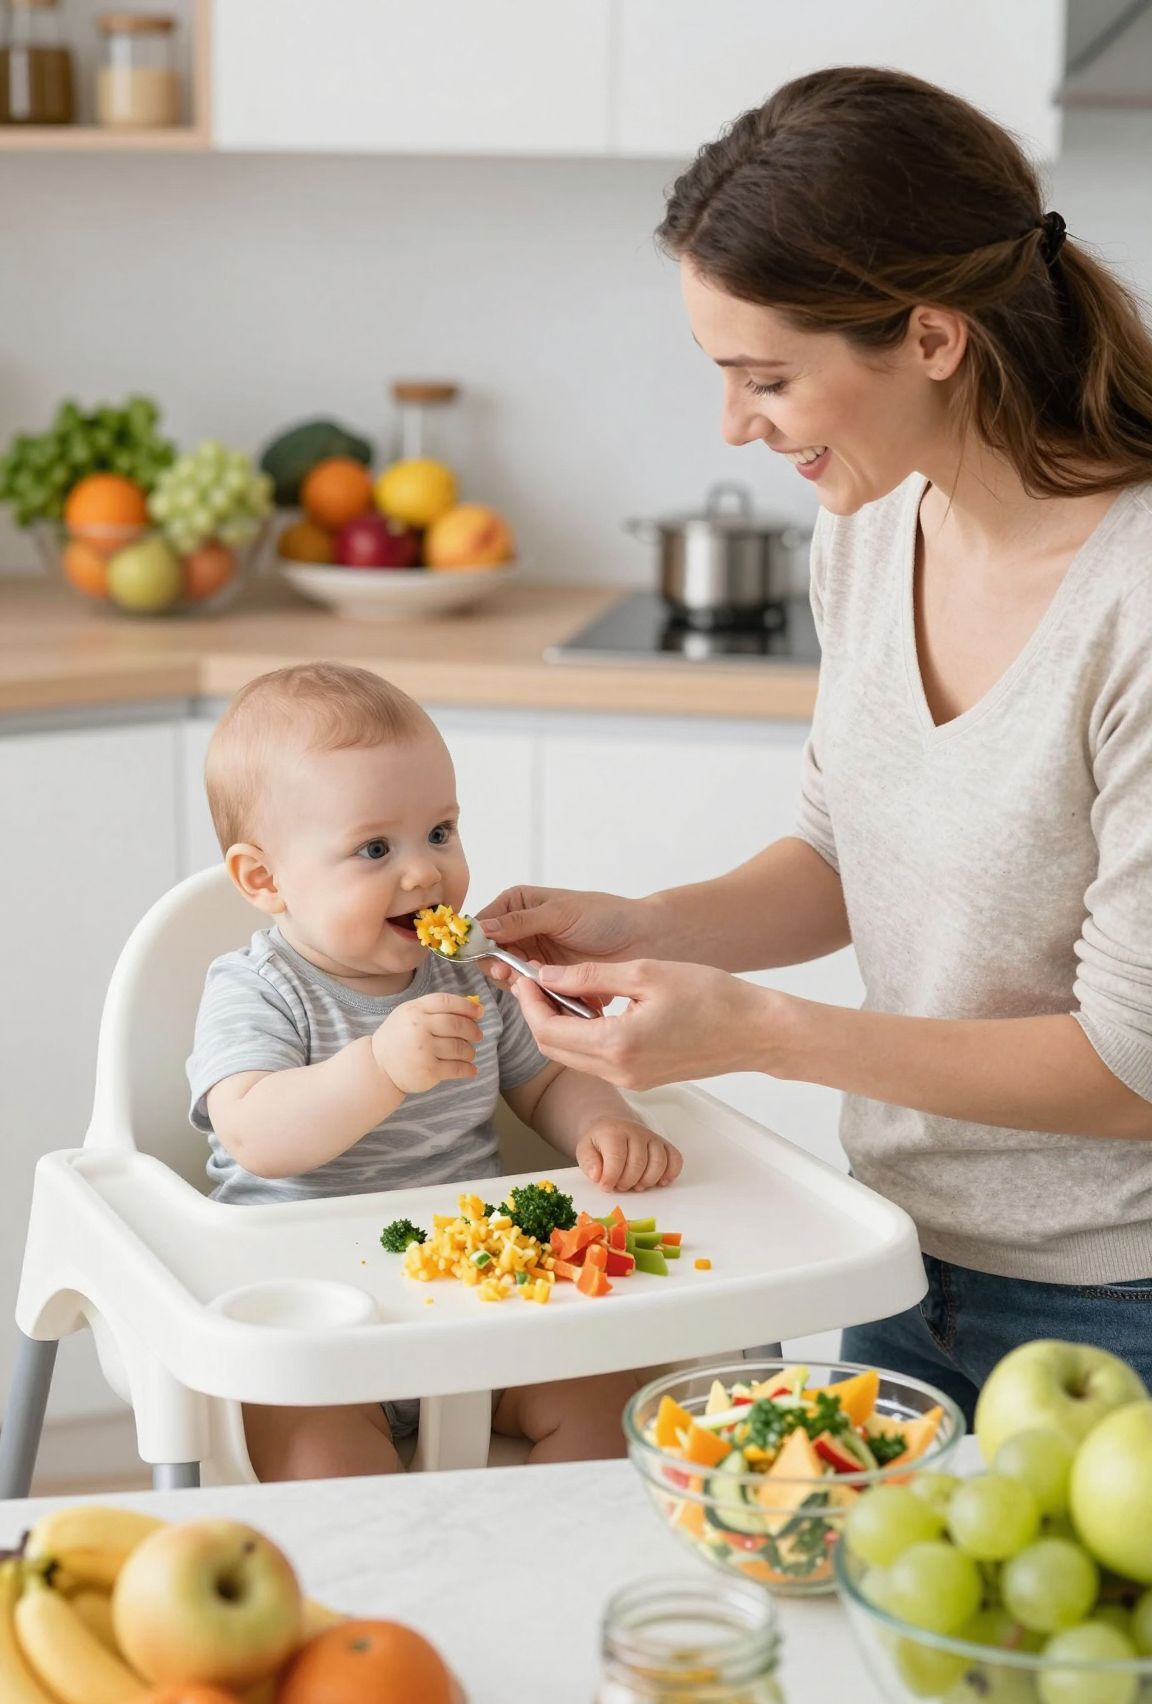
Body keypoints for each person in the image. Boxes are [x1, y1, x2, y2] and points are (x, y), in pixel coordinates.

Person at [480, 66, 1152, 1419]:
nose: (734, 425)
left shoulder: (1133, 603)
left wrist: (757, 1032)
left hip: (1114, 1314)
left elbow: (1131, 1070)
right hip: (893, 1259)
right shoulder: (868, 523)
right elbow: (851, 849)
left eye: (766, 377)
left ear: (932, 339)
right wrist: (642, 925)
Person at [187, 661, 681, 1480]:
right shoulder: (258, 989)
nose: (425, 873)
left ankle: (571, 1565)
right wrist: (379, 1067)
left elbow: (547, 1080)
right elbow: (255, 1133)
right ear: (265, 879)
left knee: (607, 1403)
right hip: (313, 1319)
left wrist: (606, 1124)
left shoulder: (470, 974)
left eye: (440, 833)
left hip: (473, 1301)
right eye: (375, 848)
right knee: (323, 1459)